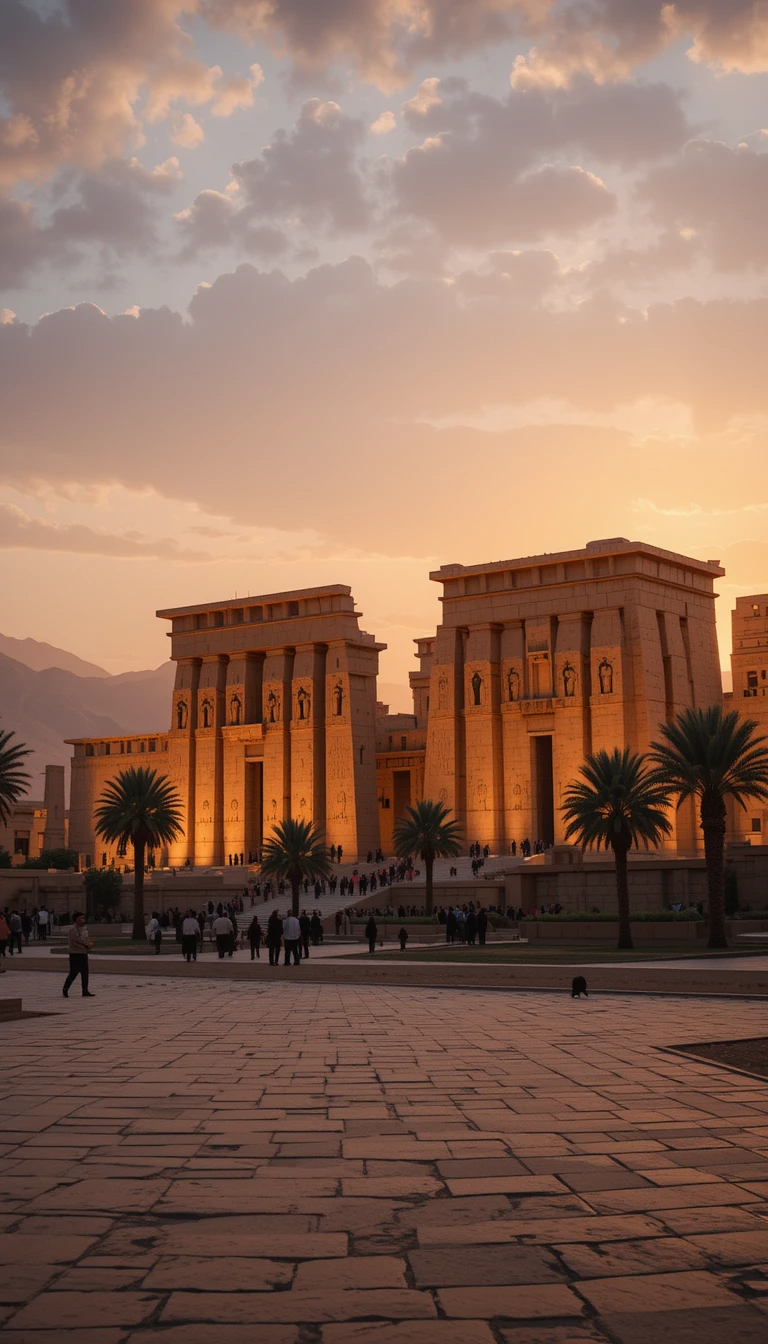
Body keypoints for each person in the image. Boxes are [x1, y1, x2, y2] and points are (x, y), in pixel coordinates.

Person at [63, 912, 94, 997]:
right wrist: (85, 946)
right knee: (73, 973)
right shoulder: (72, 930)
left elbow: (86, 939)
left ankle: (85, 991)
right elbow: (75, 941)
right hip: (75, 954)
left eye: (83, 918)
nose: (83, 920)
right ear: (76, 919)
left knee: (85, 972)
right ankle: (65, 988)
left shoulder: (83, 929)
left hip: (83, 953)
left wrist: (89, 944)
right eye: (81, 918)